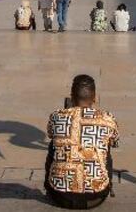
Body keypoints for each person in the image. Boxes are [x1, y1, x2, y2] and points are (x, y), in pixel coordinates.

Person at [45, 75, 118, 210]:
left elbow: (51, 134)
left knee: (53, 145)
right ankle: (108, 184)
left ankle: (52, 183)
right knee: (105, 144)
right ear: (94, 98)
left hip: (60, 196)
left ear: (71, 97)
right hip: (96, 197)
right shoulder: (108, 119)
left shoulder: (56, 116)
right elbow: (115, 141)